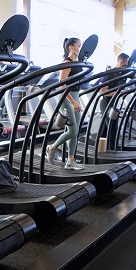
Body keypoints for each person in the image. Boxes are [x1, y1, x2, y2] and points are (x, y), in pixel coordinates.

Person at [46, 37, 84, 170]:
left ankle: (71, 161)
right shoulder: (67, 62)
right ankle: (51, 149)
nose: (81, 48)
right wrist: (73, 102)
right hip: (66, 98)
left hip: (75, 96)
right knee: (72, 131)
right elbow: (62, 85)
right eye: (79, 45)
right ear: (71, 48)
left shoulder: (77, 63)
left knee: (75, 131)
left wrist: (76, 100)